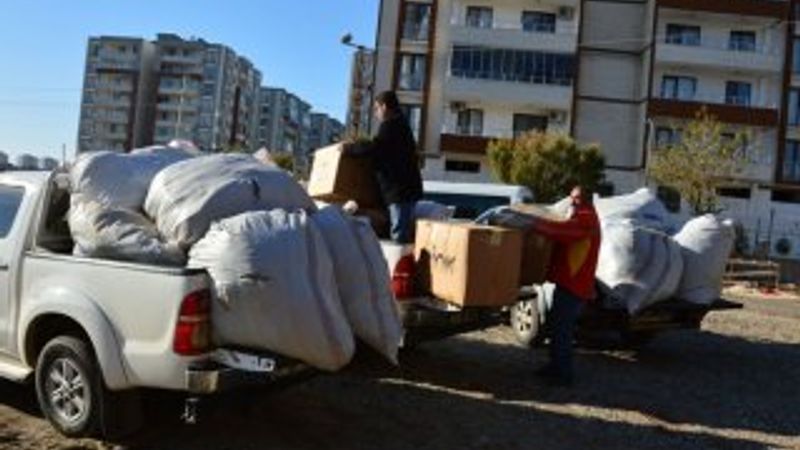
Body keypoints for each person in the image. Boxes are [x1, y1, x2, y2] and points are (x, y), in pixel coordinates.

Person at [531, 186, 601, 387]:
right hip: (568, 284)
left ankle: (563, 374)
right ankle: (554, 367)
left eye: (575, 198)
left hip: (574, 286)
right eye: (571, 198)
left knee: (562, 331)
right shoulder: (582, 216)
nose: (571, 201)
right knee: (556, 326)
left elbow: (561, 232)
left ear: (584, 200)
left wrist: (534, 224)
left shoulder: (586, 218)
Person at [345, 91, 423, 244]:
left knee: (400, 235)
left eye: (376, 108)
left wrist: (350, 149)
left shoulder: (392, 125)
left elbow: (376, 147)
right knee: (398, 231)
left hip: (401, 192)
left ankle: (399, 265)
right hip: (402, 191)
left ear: (385, 106)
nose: (375, 113)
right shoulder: (400, 125)